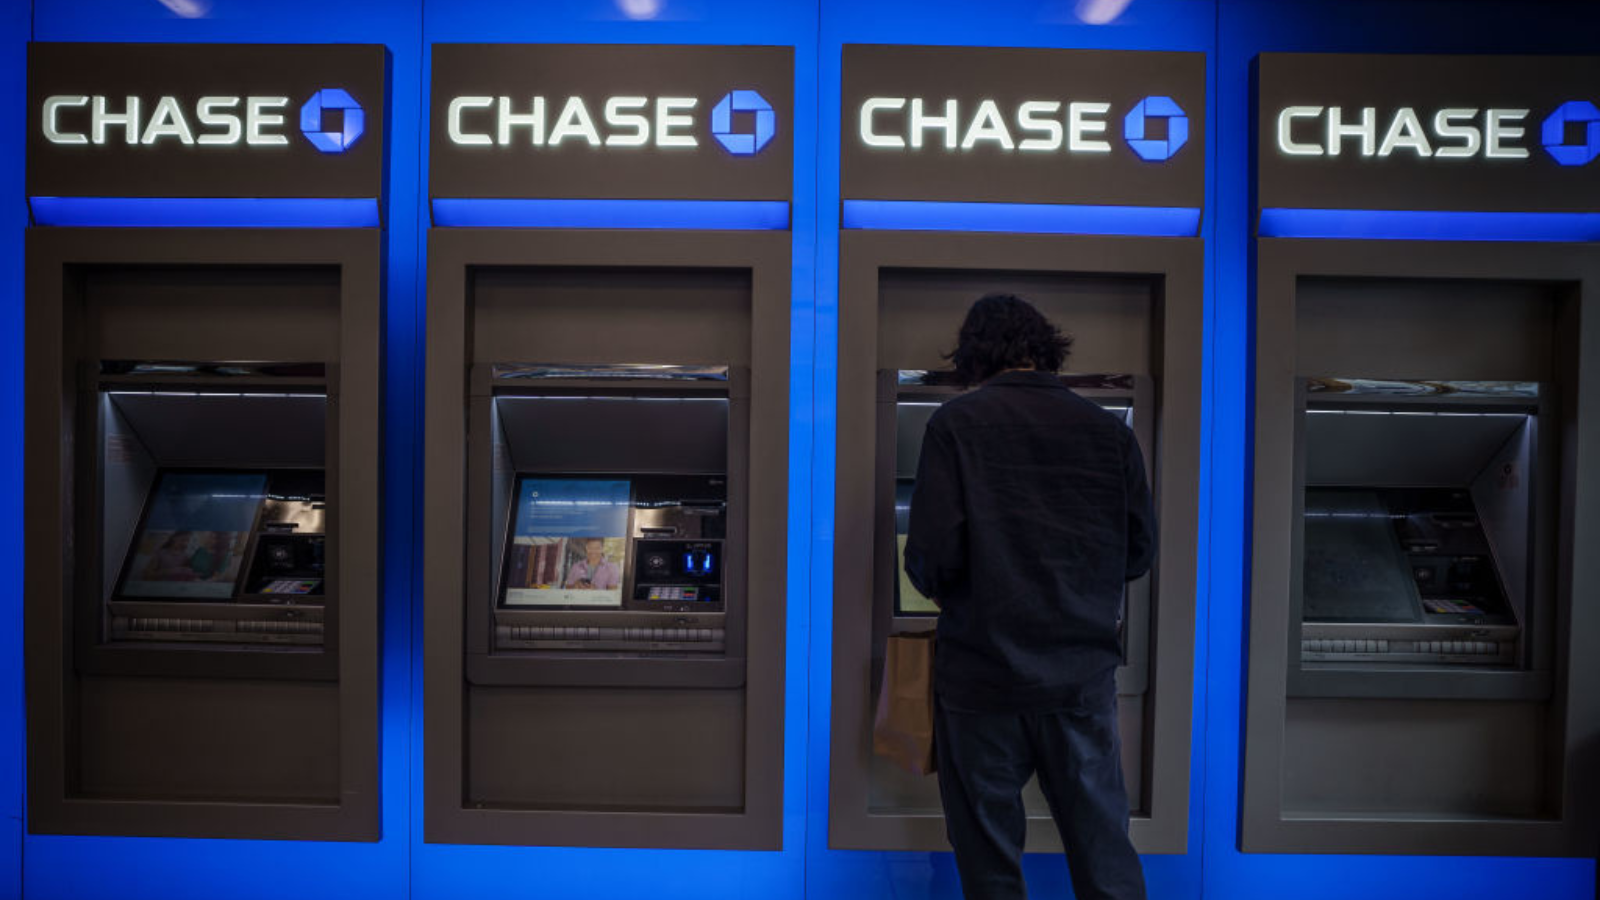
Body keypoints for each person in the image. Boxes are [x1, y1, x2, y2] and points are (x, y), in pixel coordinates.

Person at [904, 292, 1156, 900]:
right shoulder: (1108, 432)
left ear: (972, 355)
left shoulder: (954, 426)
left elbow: (930, 557)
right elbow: (1139, 553)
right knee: (1104, 856)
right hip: (1080, 679)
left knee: (990, 864)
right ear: (1046, 351)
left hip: (981, 681)